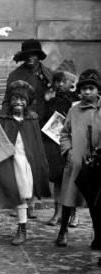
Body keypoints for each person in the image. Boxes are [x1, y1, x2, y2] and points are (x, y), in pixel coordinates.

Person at [0, 81, 51, 245]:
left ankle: (22, 229)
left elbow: (36, 144)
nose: (18, 102)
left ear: (28, 102)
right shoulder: (2, 117)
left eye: (22, 99)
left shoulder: (32, 119)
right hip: (5, 162)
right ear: (10, 100)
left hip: (24, 163)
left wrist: (39, 166)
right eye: (15, 98)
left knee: (21, 195)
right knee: (1, 194)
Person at [6, 39, 53, 219]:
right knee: (18, 163)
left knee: (37, 163)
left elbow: (55, 98)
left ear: (39, 56)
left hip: (42, 125)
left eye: (34, 54)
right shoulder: (15, 75)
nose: (31, 58)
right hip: (21, 124)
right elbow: (7, 101)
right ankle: (17, 202)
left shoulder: (47, 74)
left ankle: (32, 202)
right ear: (23, 57)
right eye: (27, 55)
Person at [56, 69, 101, 249]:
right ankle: (63, 230)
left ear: (98, 90)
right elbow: (65, 133)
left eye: (91, 88)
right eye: (83, 89)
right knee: (69, 197)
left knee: (97, 203)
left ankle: (98, 236)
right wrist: (69, 152)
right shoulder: (74, 110)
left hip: (98, 164)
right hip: (77, 161)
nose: (87, 92)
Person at [43, 60, 79, 226]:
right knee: (58, 179)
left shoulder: (76, 103)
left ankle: (73, 214)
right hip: (54, 146)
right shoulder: (51, 102)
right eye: (57, 81)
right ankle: (57, 212)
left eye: (64, 81)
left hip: (72, 145)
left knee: (72, 179)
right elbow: (44, 122)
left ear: (72, 83)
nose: (59, 84)